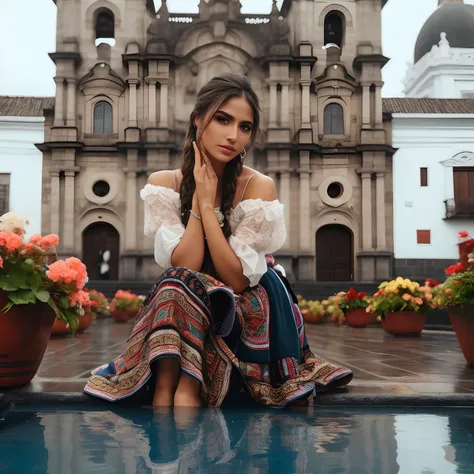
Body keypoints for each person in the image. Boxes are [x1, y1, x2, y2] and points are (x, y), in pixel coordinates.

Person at [84, 73, 352, 408]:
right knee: (176, 284)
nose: (233, 136)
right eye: (223, 119)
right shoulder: (164, 183)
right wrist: (199, 195)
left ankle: (180, 393)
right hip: (185, 299)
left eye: (245, 127)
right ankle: (171, 393)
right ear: (198, 120)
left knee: (178, 289)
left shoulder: (258, 186)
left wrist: (208, 206)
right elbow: (185, 265)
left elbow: (237, 278)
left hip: (247, 304)